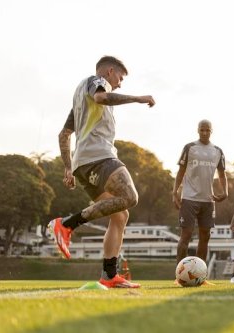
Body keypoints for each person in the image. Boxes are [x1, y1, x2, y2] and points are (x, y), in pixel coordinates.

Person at [47, 55, 155, 289]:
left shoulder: (80, 99)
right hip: (99, 157)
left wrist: (68, 167)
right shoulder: (96, 82)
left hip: (83, 163)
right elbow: (102, 96)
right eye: (120, 77)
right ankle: (66, 224)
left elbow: (64, 134)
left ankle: (109, 275)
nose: (120, 83)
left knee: (120, 215)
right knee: (130, 198)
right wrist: (137, 98)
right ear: (109, 71)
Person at [173, 120, 228, 266]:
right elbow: (181, 171)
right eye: (202, 130)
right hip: (189, 199)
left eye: (207, 130)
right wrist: (175, 192)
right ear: (198, 130)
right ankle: (179, 274)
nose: (204, 133)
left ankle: (201, 274)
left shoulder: (217, 151)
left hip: (208, 201)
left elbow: (222, 174)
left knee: (205, 237)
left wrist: (225, 191)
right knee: (186, 236)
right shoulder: (190, 147)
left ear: (211, 131)